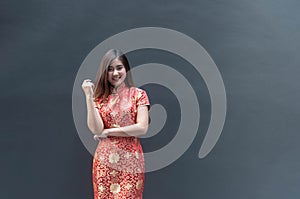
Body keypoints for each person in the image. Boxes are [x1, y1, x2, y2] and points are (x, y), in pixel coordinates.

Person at [81, 49, 150, 199]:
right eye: (110, 70)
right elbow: (96, 128)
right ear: (105, 73)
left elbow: (142, 128)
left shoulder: (138, 94)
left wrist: (109, 132)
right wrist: (89, 96)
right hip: (105, 161)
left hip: (131, 161)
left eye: (119, 68)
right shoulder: (99, 99)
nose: (115, 73)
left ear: (126, 69)